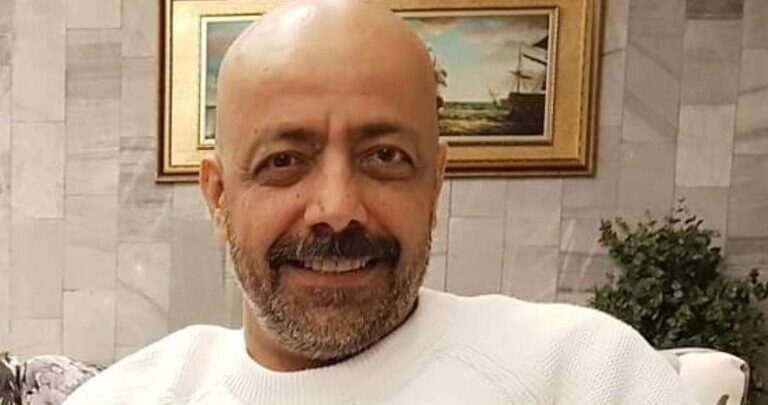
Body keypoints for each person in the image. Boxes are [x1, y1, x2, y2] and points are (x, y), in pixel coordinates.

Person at [65, 0, 696, 403]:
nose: (337, 208)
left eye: (385, 157)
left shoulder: (582, 373)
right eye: (284, 161)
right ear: (219, 197)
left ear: (435, 184)